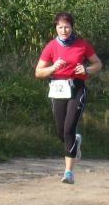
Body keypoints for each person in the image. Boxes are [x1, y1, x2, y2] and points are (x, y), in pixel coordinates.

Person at [35, 11, 103, 184]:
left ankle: (68, 172)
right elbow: (38, 72)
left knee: (68, 129)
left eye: (66, 27)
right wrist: (53, 68)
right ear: (56, 28)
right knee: (61, 131)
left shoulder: (82, 44)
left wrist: (86, 69)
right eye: (60, 27)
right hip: (58, 88)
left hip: (77, 89)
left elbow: (98, 64)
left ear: (72, 27)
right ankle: (76, 142)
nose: (63, 30)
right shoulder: (51, 46)